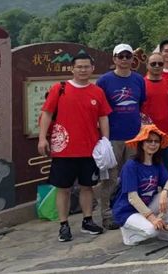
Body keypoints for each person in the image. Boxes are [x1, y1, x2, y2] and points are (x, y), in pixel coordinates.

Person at [38, 52, 111, 242]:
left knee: (88, 187)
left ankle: (87, 220)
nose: (83, 70)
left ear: (92, 69)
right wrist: (42, 138)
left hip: (90, 149)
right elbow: (47, 113)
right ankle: (64, 225)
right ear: (72, 68)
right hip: (64, 150)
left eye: (86, 66)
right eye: (79, 67)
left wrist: (105, 141)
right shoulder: (60, 88)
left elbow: (103, 117)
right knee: (63, 188)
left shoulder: (97, 92)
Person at [96, 43, 147, 230]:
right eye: (121, 56)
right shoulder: (104, 81)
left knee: (131, 175)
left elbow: (140, 104)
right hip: (112, 137)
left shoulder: (138, 80)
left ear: (132, 59)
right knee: (110, 178)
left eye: (128, 56)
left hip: (134, 136)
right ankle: (107, 214)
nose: (124, 60)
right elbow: (99, 109)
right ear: (114, 59)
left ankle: (128, 209)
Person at [112, 124, 168, 246]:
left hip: (146, 205)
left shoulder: (157, 164)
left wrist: (164, 192)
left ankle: (166, 231)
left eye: (156, 141)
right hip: (127, 211)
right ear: (141, 143)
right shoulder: (131, 165)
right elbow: (132, 198)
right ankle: (129, 235)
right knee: (152, 231)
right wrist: (152, 218)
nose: (153, 144)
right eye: (149, 141)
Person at [143, 52, 168, 167]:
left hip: (167, 135)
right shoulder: (141, 84)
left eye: (160, 63)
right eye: (153, 63)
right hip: (147, 135)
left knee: (166, 169)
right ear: (147, 65)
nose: (157, 66)